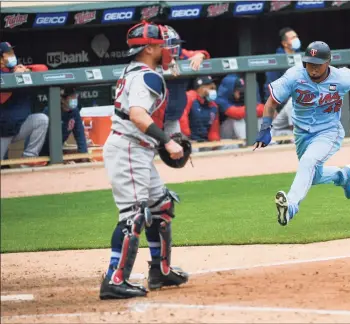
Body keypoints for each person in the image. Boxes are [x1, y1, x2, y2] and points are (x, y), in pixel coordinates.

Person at [99, 22, 189, 300]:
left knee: (160, 206)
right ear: (149, 48)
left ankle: (160, 270)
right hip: (128, 149)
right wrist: (167, 140)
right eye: (163, 44)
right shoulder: (146, 77)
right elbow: (138, 115)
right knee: (134, 216)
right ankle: (115, 279)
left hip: (136, 150)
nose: (169, 50)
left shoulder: (136, 71)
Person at [253, 41, 350, 226]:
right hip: (301, 133)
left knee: (308, 162)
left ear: (328, 62)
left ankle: (291, 206)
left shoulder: (340, 77)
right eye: (309, 62)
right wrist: (265, 127)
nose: (313, 67)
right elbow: (271, 102)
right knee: (313, 176)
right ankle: (343, 176)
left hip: (328, 131)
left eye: (318, 63)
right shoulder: (294, 76)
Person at [0, 42, 49, 166]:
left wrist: (27, 69)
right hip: (3, 131)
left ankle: (27, 159)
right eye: (8, 53)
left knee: (41, 120)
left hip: (19, 127)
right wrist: (13, 76)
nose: (12, 56)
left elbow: (44, 69)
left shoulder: (19, 69)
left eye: (13, 53)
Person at [37, 87, 88, 157]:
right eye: (71, 97)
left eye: (75, 97)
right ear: (63, 100)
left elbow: (80, 134)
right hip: (40, 150)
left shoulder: (75, 112)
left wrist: (84, 155)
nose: (74, 100)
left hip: (56, 151)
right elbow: (39, 136)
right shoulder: (50, 111)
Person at [216, 74, 264, 140]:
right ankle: (248, 144)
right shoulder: (222, 99)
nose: (241, 93)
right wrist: (253, 109)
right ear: (231, 90)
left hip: (241, 130)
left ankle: (268, 142)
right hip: (226, 132)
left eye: (242, 91)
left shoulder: (244, 96)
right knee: (238, 120)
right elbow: (236, 114)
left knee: (261, 119)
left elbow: (263, 109)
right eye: (238, 91)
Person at [263, 27, 302, 102]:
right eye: (293, 38)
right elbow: (270, 86)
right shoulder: (277, 60)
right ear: (284, 43)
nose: (296, 40)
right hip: (285, 102)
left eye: (296, 37)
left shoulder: (301, 56)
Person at [179, 76, 220, 142]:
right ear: (200, 88)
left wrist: (214, 142)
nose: (213, 90)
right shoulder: (190, 97)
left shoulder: (214, 105)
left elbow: (214, 130)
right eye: (210, 87)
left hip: (204, 141)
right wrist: (187, 136)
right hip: (189, 139)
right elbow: (182, 117)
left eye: (213, 88)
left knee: (227, 147)